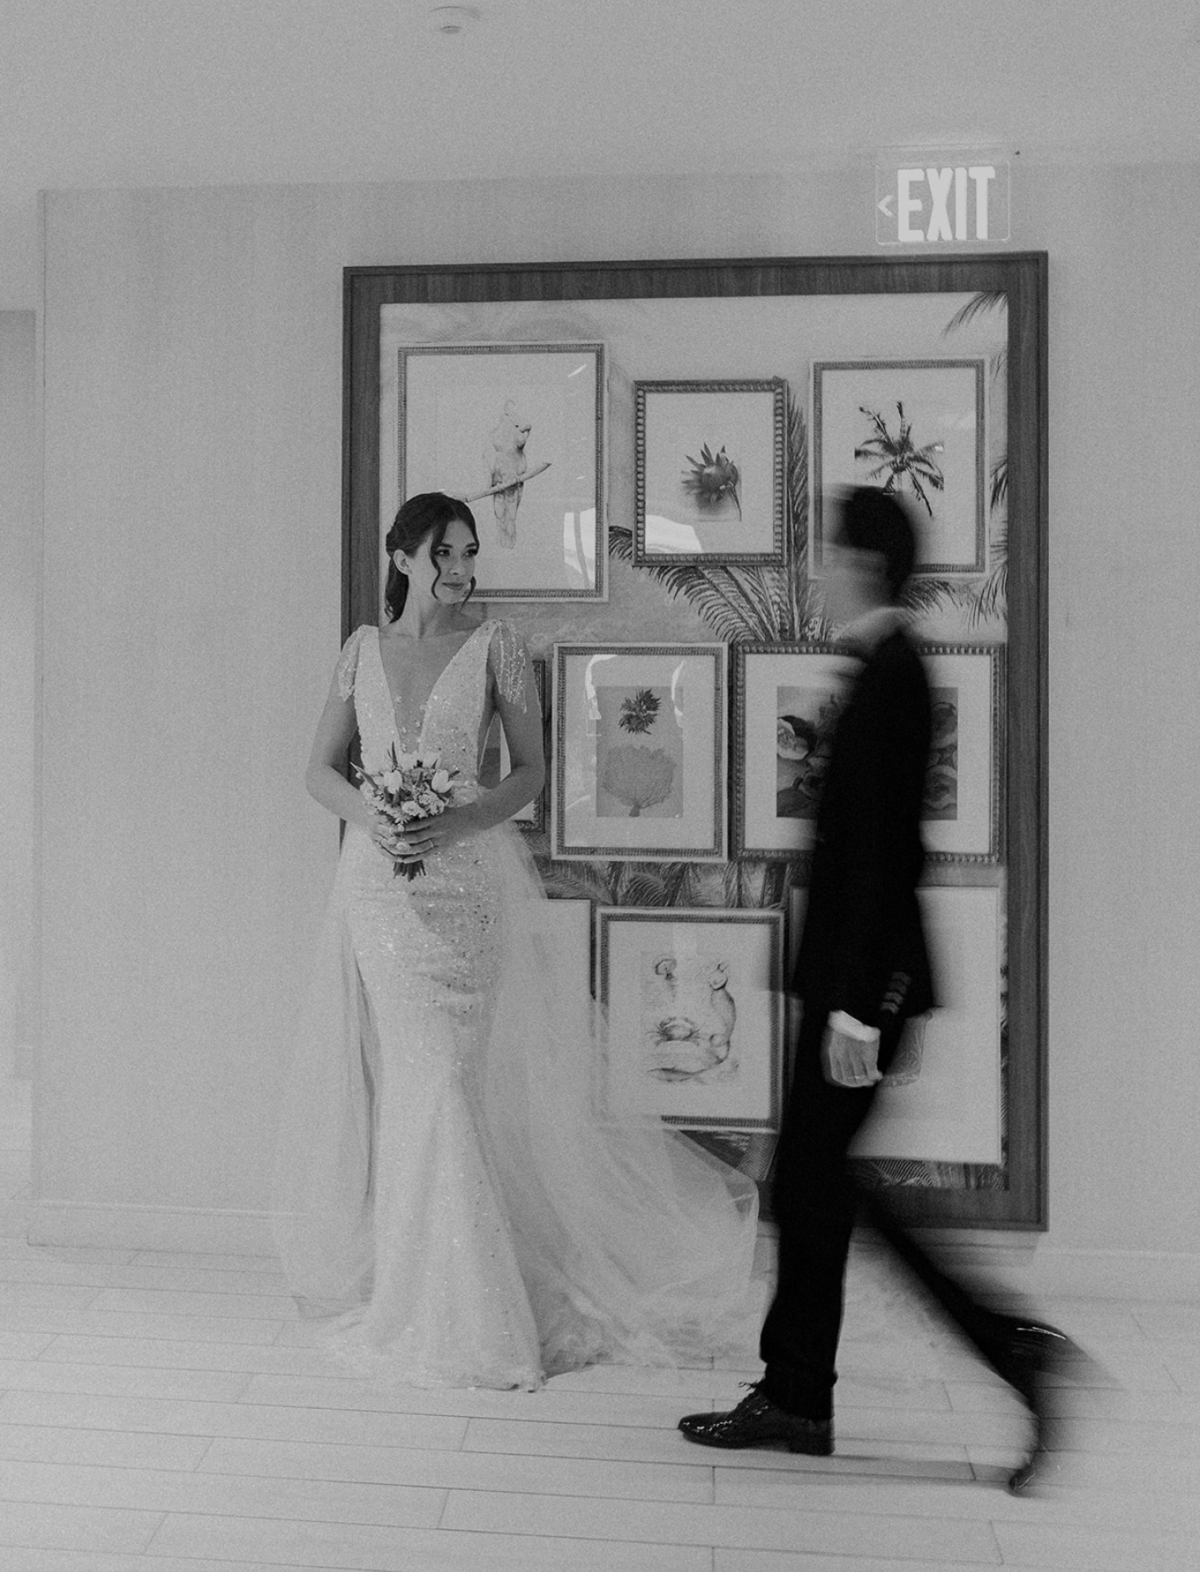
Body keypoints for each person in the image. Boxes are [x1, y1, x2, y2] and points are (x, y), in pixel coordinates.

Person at [271, 491, 758, 1390]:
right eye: (446, 552)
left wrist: (460, 820)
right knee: (417, 1083)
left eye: (468, 553)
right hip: (381, 897)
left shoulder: (496, 648)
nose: (462, 568)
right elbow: (316, 770)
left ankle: (469, 1310)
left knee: (449, 1077)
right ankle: (425, 1295)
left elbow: (528, 775)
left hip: (470, 894)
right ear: (405, 554)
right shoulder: (361, 652)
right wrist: (375, 817)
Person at [678, 486, 1083, 1492]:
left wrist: (864, 1004)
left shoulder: (896, 676)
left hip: (867, 992)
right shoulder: (881, 670)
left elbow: (888, 857)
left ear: (859, 561)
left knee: (822, 1187)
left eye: (824, 549)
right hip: (857, 984)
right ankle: (800, 1395)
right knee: (818, 1189)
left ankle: (1008, 1353)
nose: (812, 565)